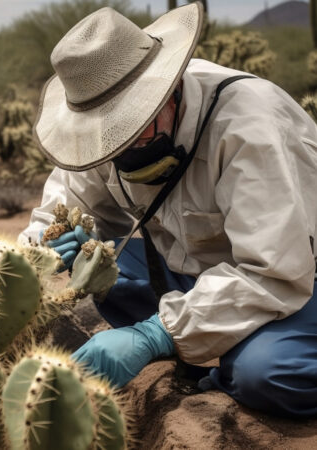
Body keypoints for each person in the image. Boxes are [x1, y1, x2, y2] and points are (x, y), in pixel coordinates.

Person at [19, 2, 317, 417]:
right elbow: (56, 213)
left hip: (294, 280)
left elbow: (275, 272)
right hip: (198, 272)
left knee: (263, 373)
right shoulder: (102, 136)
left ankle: (229, 363)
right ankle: (209, 345)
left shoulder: (251, 126)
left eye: (133, 126)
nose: (121, 146)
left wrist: (153, 333)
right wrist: (38, 254)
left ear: (169, 89)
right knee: (104, 265)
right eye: (110, 133)